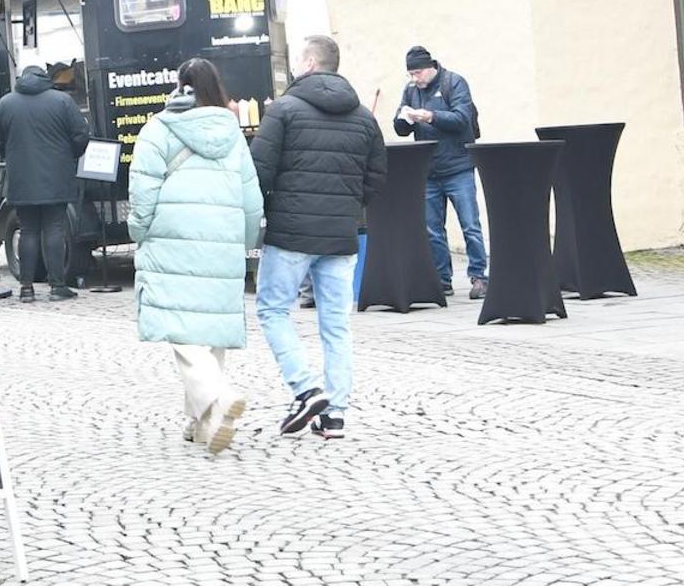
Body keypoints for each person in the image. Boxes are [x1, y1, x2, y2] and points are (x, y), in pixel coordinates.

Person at [250, 35, 386, 441]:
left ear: (309, 63)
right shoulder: (364, 117)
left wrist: (271, 209)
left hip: (291, 233)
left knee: (272, 310)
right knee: (336, 325)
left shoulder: (284, 110)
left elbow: (259, 170)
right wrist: (347, 208)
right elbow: (376, 179)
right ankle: (335, 415)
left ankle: (306, 388)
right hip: (341, 235)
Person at [128, 59, 264, 454]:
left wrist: (137, 231)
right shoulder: (232, 132)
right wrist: (245, 244)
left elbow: (142, 193)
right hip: (222, 241)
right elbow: (251, 197)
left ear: (178, 86)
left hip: (172, 241)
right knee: (211, 332)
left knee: (183, 333)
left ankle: (219, 399)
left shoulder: (157, 130)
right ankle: (202, 425)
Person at [395, 45, 487, 300]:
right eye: (410, 74)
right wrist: (404, 119)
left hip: (458, 167)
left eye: (417, 73)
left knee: (470, 225)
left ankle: (479, 276)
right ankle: (442, 280)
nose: (414, 79)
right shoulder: (411, 90)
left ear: (430, 68)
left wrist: (430, 116)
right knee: (433, 229)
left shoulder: (454, 83)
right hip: (428, 170)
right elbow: (400, 129)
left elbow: (461, 119)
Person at [0, 62, 90, 301]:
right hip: (56, 177)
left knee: (28, 230)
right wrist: (69, 156)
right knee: (54, 229)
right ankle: (57, 286)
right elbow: (81, 135)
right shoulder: (62, 101)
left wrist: (12, 157)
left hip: (21, 180)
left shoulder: (5, 104)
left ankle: (26, 288)